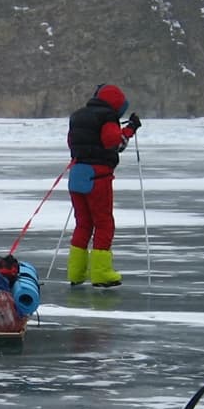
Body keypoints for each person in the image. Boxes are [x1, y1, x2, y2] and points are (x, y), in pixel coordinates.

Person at [66, 84, 140, 287]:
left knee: (83, 224)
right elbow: (113, 142)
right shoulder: (107, 117)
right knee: (104, 223)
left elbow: (72, 142)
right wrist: (130, 129)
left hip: (77, 175)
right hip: (97, 177)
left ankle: (76, 272)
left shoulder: (77, 116)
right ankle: (101, 273)